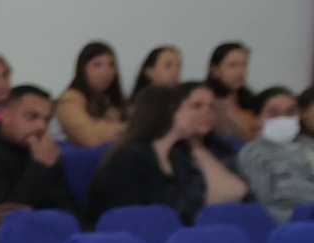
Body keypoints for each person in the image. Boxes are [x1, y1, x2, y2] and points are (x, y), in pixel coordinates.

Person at [85, 82, 252, 225]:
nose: (195, 115)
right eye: (187, 108)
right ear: (168, 114)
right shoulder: (130, 158)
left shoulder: (175, 157)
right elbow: (135, 216)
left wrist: (198, 148)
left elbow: (203, 203)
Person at [0, 85, 76, 214]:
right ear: (6, 115)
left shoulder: (44, 150)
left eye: (46, 120)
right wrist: (40, 167)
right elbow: (3, 217)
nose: (41, 126)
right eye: (32, 116)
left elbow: (67, 209)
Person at [237, 87, 314, 222]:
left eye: (290, 112)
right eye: (273, 113)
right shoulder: (254, 153)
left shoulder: (309, 145)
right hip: (293, 225)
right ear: (258, 119)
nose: (283, 118)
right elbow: (264, 205)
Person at [56, 42, 129, 147]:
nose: (106, 72)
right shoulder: (69, 100)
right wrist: (128, 129)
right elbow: (89, 137)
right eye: (97, 65)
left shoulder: (113, 100)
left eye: (111, 65)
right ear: (83, 69)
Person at [205, 42, 255, 143]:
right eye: (233, 66)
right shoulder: (207, 104)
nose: (240, 71)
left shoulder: (252, 102)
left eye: (244, 65)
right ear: (214, 70)